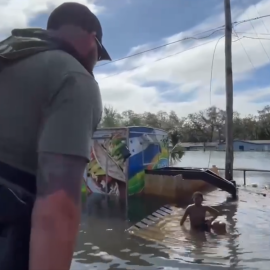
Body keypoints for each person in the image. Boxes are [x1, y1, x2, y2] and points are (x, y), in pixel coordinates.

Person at [0, 2, 110, 270]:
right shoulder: (72, 77)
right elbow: (57, 208)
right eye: (99, 53)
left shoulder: (9, 57)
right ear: (92, 39)